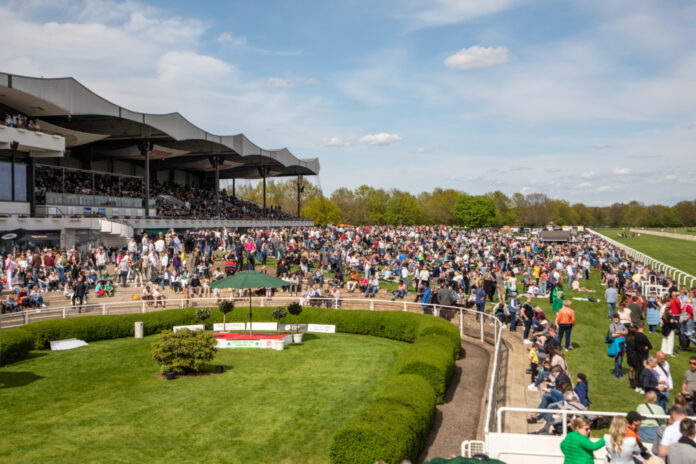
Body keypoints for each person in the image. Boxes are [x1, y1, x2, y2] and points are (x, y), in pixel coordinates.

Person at [626, 322, 652, 392]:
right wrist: (645, 348)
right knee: (639, 371)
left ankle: (634, 385)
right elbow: (650, 346)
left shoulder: (630, 338)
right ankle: (641, 386)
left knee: (632, 370)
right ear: (643, 327)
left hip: (630, 356)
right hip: (638, 356)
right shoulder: (641, 336)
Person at [609, 313, 628, 379]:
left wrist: (618, 332)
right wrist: (622, 332)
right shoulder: (611, 325)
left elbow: (627, 332)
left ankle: (616, 374)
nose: (616, 319)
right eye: (614, 318)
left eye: (617, 317)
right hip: (616, 345)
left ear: (619, 318)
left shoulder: (622, 324)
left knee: (619, 360)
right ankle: (620, 375)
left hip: (622, 344)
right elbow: (613, 334)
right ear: (613, 318)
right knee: (619, 360)